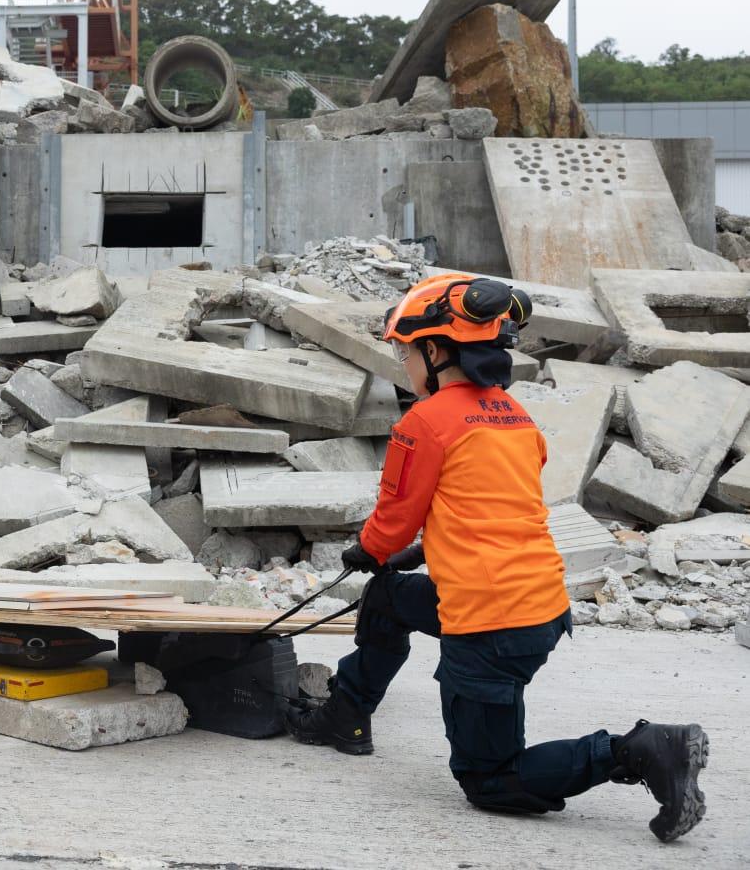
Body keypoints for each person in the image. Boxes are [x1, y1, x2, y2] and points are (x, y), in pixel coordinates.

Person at [284, 273, 710, 843]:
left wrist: (372, 550)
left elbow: (392, 518)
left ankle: (638, 750)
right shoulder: (513, 415)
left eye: (405, 353)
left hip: (490, 624)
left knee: (489, 779)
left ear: (435, 351)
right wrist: (419, 552)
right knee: (387, 596)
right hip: (537, 604)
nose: (404, 365)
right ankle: (345, 716)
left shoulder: (425, 423)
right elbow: (492, 504)